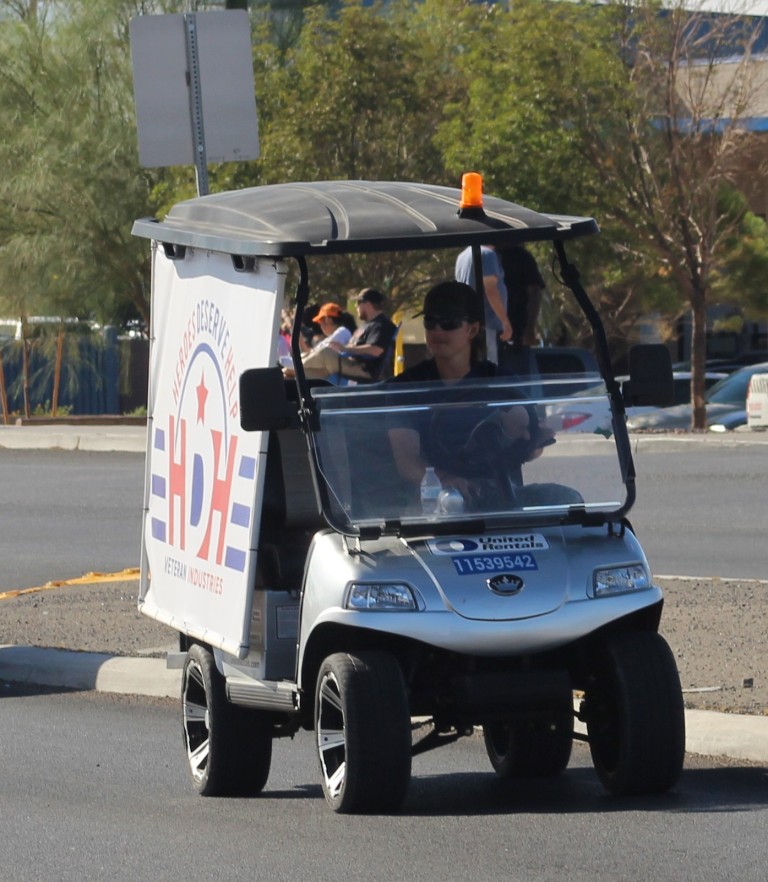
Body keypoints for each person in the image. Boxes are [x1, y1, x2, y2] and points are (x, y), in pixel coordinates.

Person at [386, 281, 555, 508]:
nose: (437, 330)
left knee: (565, 499)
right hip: (433, 502)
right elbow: (407, 461)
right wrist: (447, 482)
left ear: (472, 330)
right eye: (430, 322)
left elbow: (528, 447)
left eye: (448, 323)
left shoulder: (502, 383)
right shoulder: (406, 388)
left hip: (499, 493)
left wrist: (533, 439)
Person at [301, 287, 397, 381]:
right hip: (349, 363)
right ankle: (291, 371)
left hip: (363, 369)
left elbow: (376, 350)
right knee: (304, 373)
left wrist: (345, 348)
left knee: (325, 352)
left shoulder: (381, 324)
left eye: (358, 303)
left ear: (367, 304)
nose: (355, 306)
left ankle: (294, 364)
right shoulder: (367, 324)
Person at [454, 244, 512, 364]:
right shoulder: (487, 254)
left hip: (467, 327)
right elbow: (490, 289)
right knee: (490, 371)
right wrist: (505, 321)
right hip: (486, 327)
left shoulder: (462, 256)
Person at [283, 302, 354, 375]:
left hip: (331, 371)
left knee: (289, 372)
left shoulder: (343, 331)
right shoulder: (339, 333)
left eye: (320, 321)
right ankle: (297, 363)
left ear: (328, 320)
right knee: (286, 372)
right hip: (327, 369)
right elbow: (314, 351)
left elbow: (322, 351)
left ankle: (297, 363)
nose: (320, 325)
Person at [497, 245, 545, 350]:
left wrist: (529, 328)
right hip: (494, 334)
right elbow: (534, 292)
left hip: (514, 334)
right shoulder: (481, 256)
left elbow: (534, 291)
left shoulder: (521, 257)